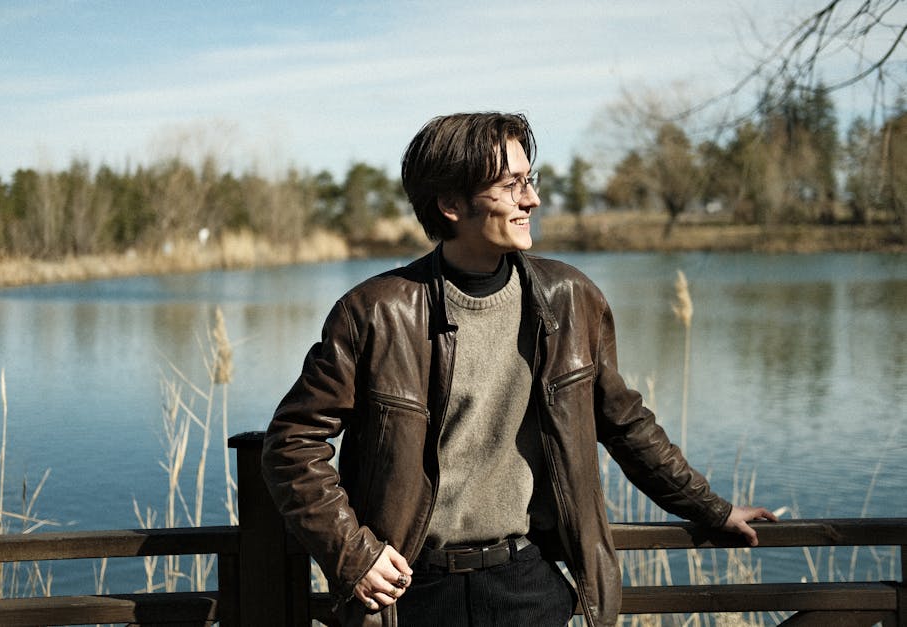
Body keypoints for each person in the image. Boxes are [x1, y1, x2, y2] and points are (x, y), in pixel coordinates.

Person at [261, 112, 776, 627]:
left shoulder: (569, 300)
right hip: (410, 595)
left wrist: (711, 509)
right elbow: (291, 443)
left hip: (526, 584)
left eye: (529, 180)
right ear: (451, 204)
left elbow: (625, 424)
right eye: (511, 186)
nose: (531, 200)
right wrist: (356, 556)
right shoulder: (376, 312)